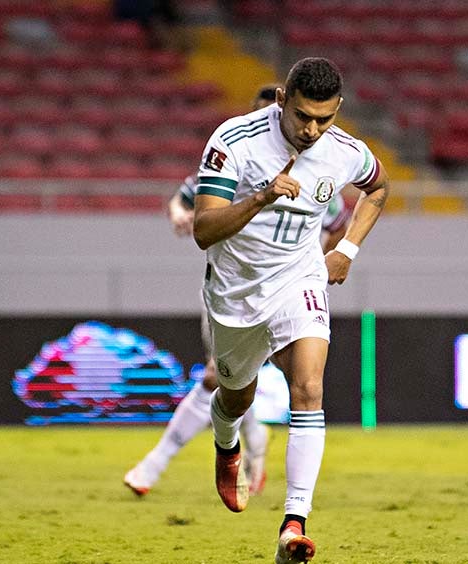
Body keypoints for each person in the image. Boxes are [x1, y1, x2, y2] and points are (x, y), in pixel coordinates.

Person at [193, 58, 388, 564]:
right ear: (282, 100)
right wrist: (260, 197)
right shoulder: (233, 141)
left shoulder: (345, 151)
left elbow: (378, 188)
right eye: (302, 116)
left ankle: (293, 524)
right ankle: (226, 442)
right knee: (236, 396)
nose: (312, 129)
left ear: (337, 110)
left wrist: (347, 249)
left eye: (324, 119)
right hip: (236, 294)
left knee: (309, 385)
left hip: (299, 278)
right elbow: (203, 230)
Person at [122, 84, 352, 500]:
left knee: (295, 382)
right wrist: (180, 216)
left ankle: (156, 466)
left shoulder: (322, 174)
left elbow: (338, 224)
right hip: (233, 290)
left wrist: (323, 259)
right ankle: (245, 451)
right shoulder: (234, 157)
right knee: (226, 384)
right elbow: (183, 199)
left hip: (291, 291)